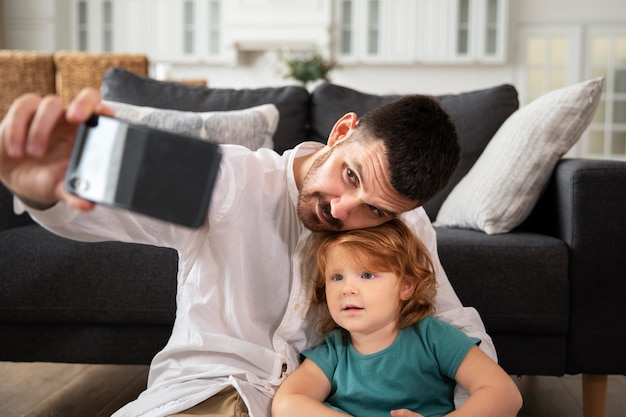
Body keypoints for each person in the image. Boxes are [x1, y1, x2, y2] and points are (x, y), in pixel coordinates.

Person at [0, 88, 496, 417]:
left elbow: (450, 322)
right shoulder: (229, 177)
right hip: (211, 393)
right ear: (341, 131)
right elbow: (108, 207)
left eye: (376, 211)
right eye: (350, 176)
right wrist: (46, 188)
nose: (344, 212)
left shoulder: (406, 223)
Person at [272, 219, 522, 417]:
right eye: (337, 277)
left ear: (405, 287)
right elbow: (286, 404)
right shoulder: (334, 352)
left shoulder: (431, 336)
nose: (347, 289)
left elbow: (504, 394)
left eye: (367, 275)